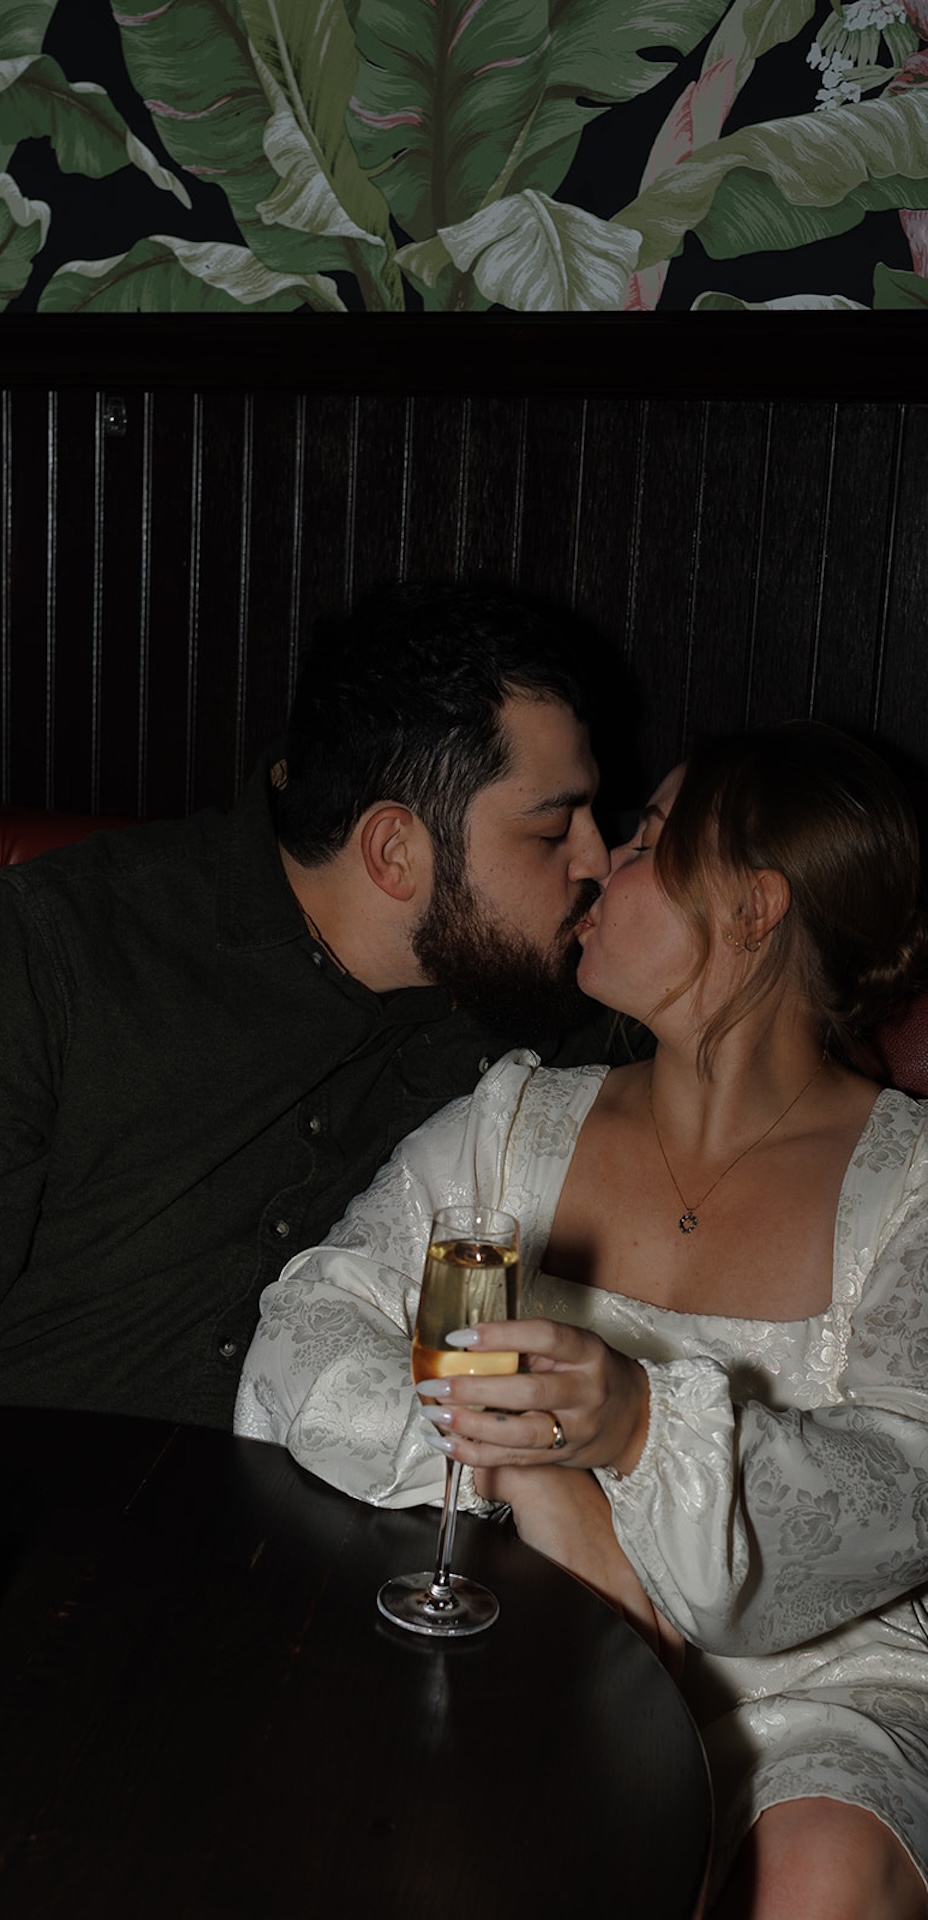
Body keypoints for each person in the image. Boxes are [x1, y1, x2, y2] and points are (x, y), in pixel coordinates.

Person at [0, 578, 617, 1689]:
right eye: (552, 827)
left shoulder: (556, 1015)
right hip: (13, 1600)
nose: (596, 858)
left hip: (352, 1630)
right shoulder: (65, 942)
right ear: (393, 851)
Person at [236, 721, 928, 1920]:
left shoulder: (911, 1185)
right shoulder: (511, 1126)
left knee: (814, 1872)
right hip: (533, 1637)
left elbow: (901, 1481)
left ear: (756, 909)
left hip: (817, 1691)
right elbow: (308, 1325)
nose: (599, 861)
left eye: (651, 841)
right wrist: (537, 1483)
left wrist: (636, 1426)